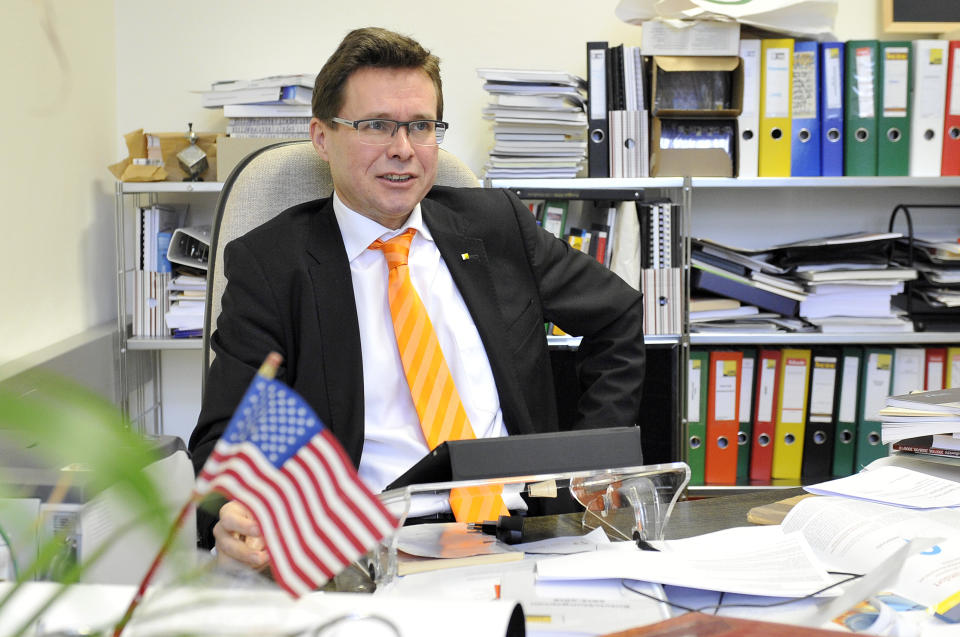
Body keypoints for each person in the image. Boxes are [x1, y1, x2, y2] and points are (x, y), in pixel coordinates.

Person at [189, 26, 645, 572]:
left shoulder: (495, 226)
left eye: (420, 126)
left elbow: (617, 315)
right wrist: (235, 509)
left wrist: (582, 468)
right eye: (376, 125)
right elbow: (226, 436)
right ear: (321, 136)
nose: (402, 150)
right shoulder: (273, 265)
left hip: (526, 537)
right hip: (371, 554)